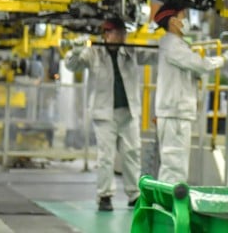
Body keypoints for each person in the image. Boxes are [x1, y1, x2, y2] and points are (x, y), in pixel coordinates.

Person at [64, 16, 158, 211]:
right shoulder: (93, 53)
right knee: (106, 157)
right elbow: (72, 65)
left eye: (123, 32)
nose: (122, 36)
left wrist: (166, 44)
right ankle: (104, 196)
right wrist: (74, 51)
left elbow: (153, 55)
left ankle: (134, 195)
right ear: (106, 34)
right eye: (117, 32)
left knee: (132, 154)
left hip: (129, 112)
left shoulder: (129, 52)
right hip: (104, 114)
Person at [152, 0, 228, 184]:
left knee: (176, 164)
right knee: (174, 167)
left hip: (176, 113)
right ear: (173, 21)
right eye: (183, 16)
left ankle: (169, 206)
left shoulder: (176, 44)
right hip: (174, 114)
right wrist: (225, 58)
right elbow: (201, 65)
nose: (186, 21)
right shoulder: (173, 45)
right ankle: (169, 207)